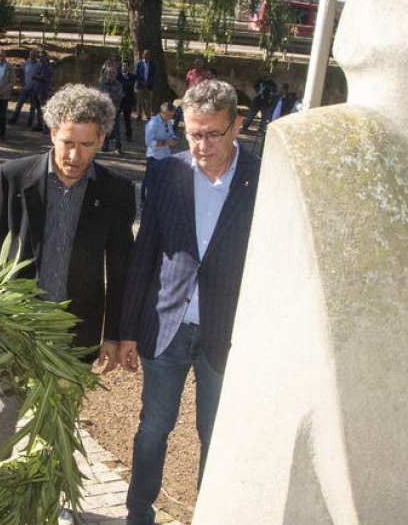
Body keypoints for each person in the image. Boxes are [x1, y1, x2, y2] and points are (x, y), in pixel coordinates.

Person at [0, 84, 135, 521]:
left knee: (58, 425)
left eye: (87, 144)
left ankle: (49, 503)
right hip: (17, 330)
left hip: (74, 335)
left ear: (102, 140)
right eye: (68, 142)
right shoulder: (13, 177)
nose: (75, 155)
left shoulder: (118, 192)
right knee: (4, 413)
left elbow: (120, 267)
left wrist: (115, 334)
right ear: (51, 133)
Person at [117, 78, 259, 525]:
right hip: (167, 328)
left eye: (212, 133)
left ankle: (211, 514)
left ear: (236, 125)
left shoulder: (262, 178)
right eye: (193, 133)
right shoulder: (164, 172)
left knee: (215, 435)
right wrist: (127, 332)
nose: (201, 145)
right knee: (152, 431)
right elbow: (144, 254)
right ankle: (138, 513)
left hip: (227, 332)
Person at [98, 63, 125, 154]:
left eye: (113, 73)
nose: (111, 74)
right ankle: (105, 145)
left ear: (116, 74)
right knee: (104, 128)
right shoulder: (103, 84)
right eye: (109, 73)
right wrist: (110, 96)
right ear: (106, 74)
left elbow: (119, 96)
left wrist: (109, 96)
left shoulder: (119, 85)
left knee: (116, 129)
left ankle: (118, 147)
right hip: (105, 110)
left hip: (115, 109)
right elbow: (101, 95)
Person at [8, 49, 40, 126]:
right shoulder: (26, 63)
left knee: (32, 107)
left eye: (34, 55)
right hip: (25, 87)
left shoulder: (39, 65)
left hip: (34, 88)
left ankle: (29, 122)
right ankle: (14, 119)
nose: (33, 56)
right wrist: (21, 81)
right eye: (31, 55)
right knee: (19, 104)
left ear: (37, 56)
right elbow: (20, 71)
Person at [117, 60, 137, 141]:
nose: (124, 67)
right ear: (121, 67)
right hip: (119, 101)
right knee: (116, 119)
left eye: (126, 66)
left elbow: (130, 86)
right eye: (123, 66)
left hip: (128, 101)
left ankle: (129, 135)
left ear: (128, 67)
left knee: (127, 119)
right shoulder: (118, 76)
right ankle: (114, 135)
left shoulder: (132, 77)